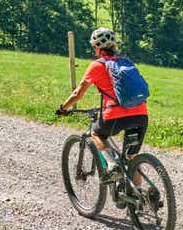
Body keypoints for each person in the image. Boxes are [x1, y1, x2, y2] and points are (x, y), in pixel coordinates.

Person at [57, 27, 150, 184]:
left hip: (115, 116)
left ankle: (112, 164)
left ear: (97, 47)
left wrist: (63, 108)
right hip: (141, 114)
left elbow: (77, 93)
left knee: (96, 133)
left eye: (94, 47)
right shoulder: (126, 62)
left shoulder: (97, 65)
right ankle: (141, 197)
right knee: (131, 158)